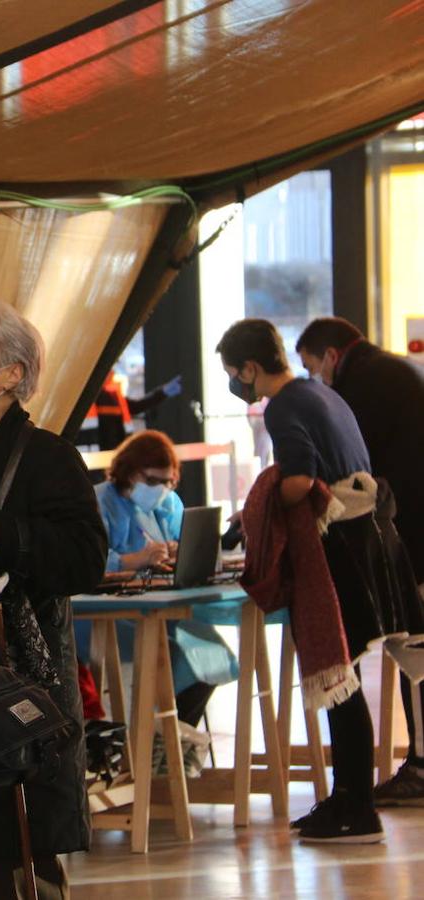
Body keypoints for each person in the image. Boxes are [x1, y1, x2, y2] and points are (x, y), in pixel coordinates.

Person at [218, 318, 417, 843]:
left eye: (233, 374)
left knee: (338, 674)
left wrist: (260, 508)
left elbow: (301, 480)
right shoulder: (319, 392)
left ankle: (357, 809)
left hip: (342, 549)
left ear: (250, 368)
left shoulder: (283, 406)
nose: (236, 384)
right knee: (344, 675)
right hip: (375, 539)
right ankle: (348, 797)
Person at [0, 302, 106, 900]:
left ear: (12, 373)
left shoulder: (47, 455)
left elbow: (87, 558)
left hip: (21, 673)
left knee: (20, 843)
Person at [296, 316, 424, 805]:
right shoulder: (396, 369)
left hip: (413, 534)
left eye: (314, 368)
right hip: (414, 524)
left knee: (416, 652)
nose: (319, 381)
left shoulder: (366, 384)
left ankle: (420, 766)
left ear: (330, 355)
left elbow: (356, 469)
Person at [91, 430, 237, 768]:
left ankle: (169, 750)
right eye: (153, 480)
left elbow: (180, 546)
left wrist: (177, 552)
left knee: (212, 655)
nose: (161, 489)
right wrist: (136, 560)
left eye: (168, 482)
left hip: (161, 611)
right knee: (177, 655)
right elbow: (91, 562)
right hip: (110, 616)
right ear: (130, 471)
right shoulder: (100, 502)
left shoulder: (168, 503)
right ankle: (153, 754)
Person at [83, 368, 182, 450]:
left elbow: (137, 406)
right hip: (93, 457)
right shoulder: (84, 395)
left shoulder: (114, 395)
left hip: (117, 455)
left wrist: (162, 393)